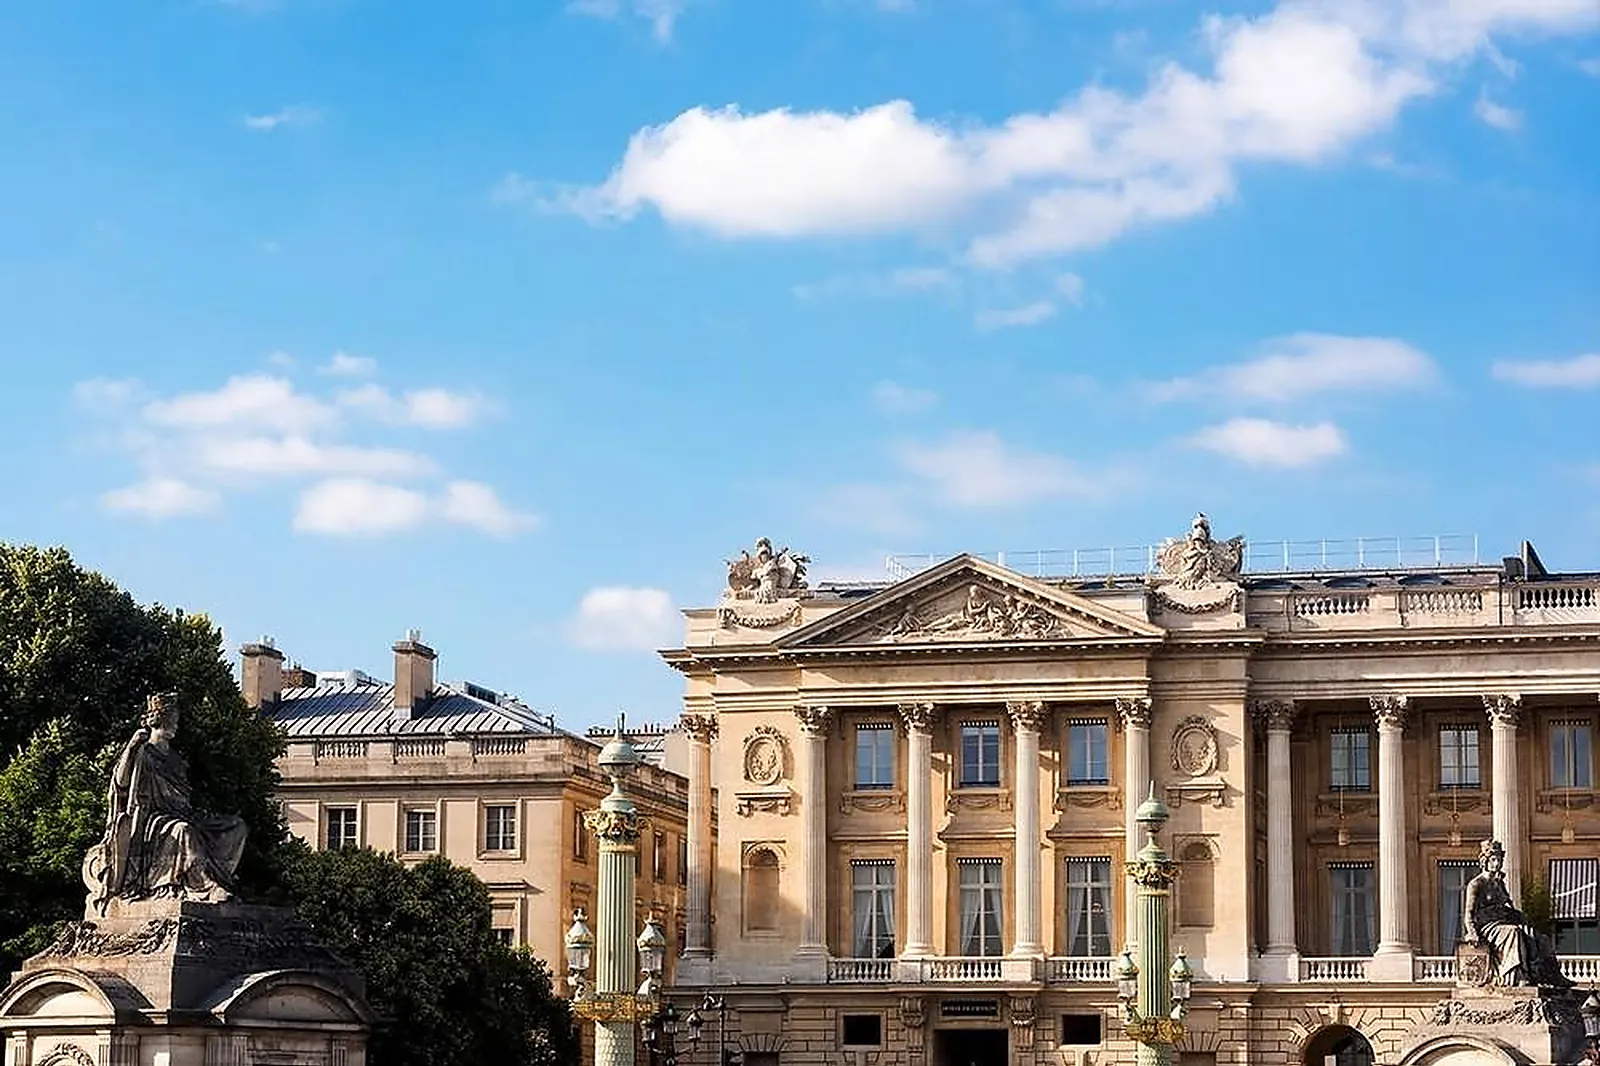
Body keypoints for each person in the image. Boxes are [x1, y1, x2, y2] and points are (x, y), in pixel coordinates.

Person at [83, 694, 248, 915]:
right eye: (172, 720)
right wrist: (131, 748)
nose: (176, 726)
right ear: (159, 720)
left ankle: (220, 879)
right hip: (155, 820)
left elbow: (182, 798)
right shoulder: (143, 752)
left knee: (236, 826)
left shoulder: (176, 759)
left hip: (184, 812)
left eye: (176, 721)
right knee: (183, 831)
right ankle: (203, 885)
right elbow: (120, 783)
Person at [1462, 839, 1570, 987]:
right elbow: (1468, 913)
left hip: (1504, 923)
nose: (1497, 863)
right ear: (1485, 861)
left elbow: (1509, 908)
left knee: (1541, 938)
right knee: (1513, 933)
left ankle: (1552, 976)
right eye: (1493, 859)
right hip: (1488, 927)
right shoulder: (1476, 884)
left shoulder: (1499, 883)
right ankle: (1516, 977)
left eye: (1499, 859)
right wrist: (1472, 932)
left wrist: (1523, 920)